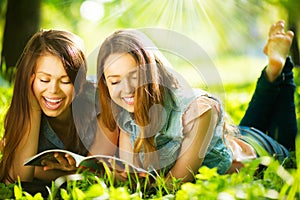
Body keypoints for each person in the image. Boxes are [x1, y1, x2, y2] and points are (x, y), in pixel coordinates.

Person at [95, 20, 298, 183]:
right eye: (115, 81)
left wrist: (140, 181)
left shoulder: (199, 110)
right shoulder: (126, 117)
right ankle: (273, 71)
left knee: (288, 147)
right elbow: (132, 175)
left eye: (135, 77)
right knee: (247, 127)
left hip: (261, 151)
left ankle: (281, 68)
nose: (127, 89)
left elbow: (177, 181)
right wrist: (113, 176)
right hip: (236, 138)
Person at [0, 29, 115, 184]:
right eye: (44, 80)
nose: (53, 90)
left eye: (65, 81)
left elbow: (101, 173)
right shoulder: (22, 115)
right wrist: (33, 108)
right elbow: (18, 180)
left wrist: (42, 172)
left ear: (79, 83)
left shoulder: (101, 101)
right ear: (30, 79)